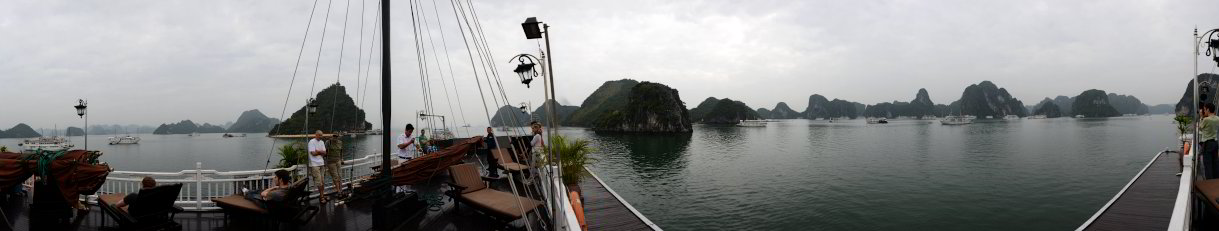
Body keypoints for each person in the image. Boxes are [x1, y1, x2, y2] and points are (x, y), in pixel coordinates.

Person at [307, 130, 329, 203]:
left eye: (321, 135)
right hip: (314, 164)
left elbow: (325, 153)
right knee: (319, 182)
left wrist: (318, 151)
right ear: (316, 135)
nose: (321, 136)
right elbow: (313, 153)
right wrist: (320, 152)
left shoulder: (322, 142)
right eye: (319, 135)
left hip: (321, 163)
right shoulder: (311, 142)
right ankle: (321, 197)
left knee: (322, 181)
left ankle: (322, 195)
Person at [1202, 103, 1219, 179]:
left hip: (1207, 143)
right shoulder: (1217, 118)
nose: (1204, 111)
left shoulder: (1206, 119)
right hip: (1215, 142)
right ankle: (1215, 180)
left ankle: (1209, 182)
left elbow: (1200, 127)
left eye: (1205, 109)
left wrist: (1201, 117)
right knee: (1215, 163)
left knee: (1207, 164)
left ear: (1208, 109)